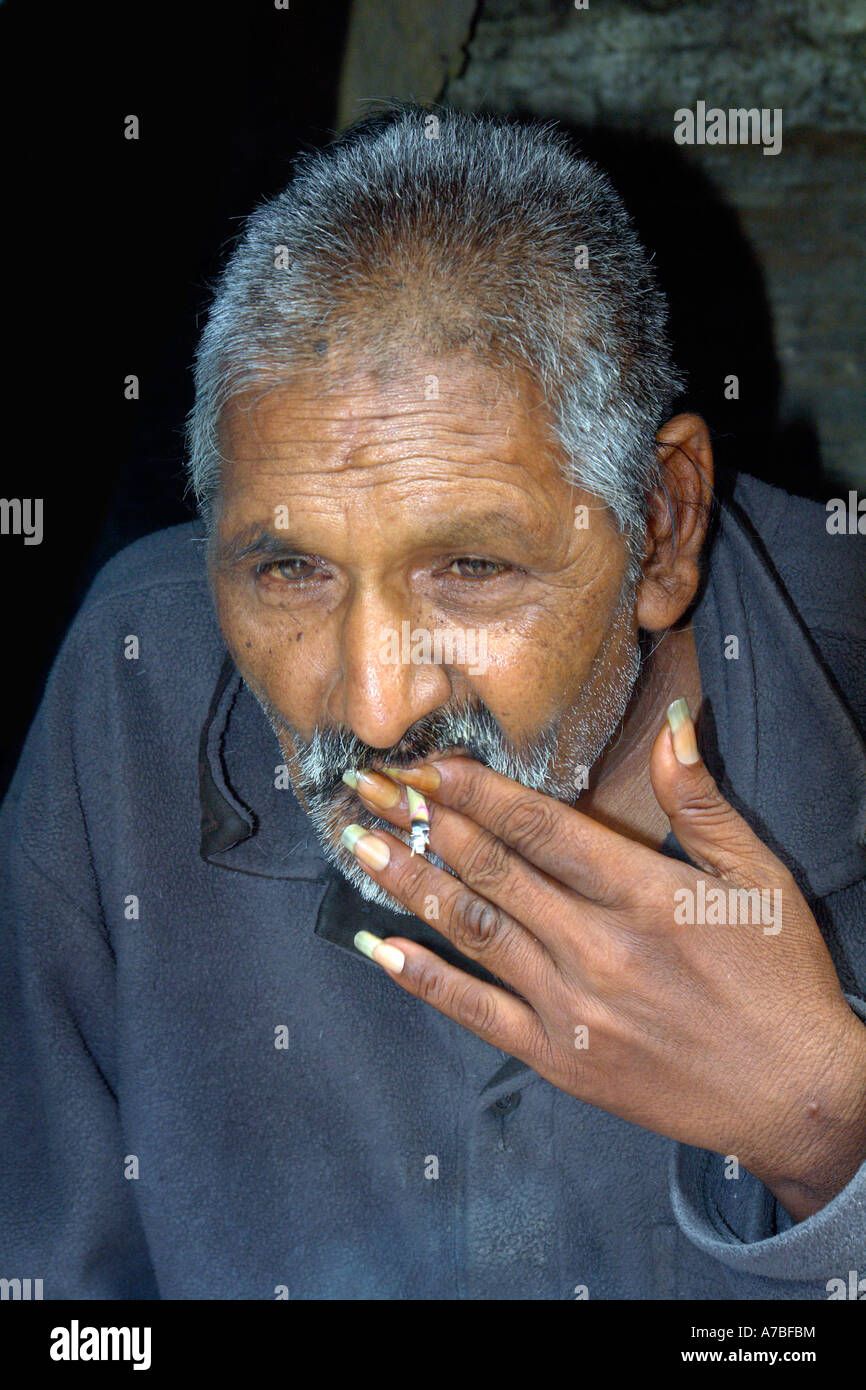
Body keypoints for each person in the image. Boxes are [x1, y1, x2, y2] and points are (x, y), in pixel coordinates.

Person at [2, 107, 864, 1300]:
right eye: (290, 570)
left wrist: (826, 1135)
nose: (370, 701)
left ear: (660, 530)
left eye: (469, 568)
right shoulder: (135, 684)